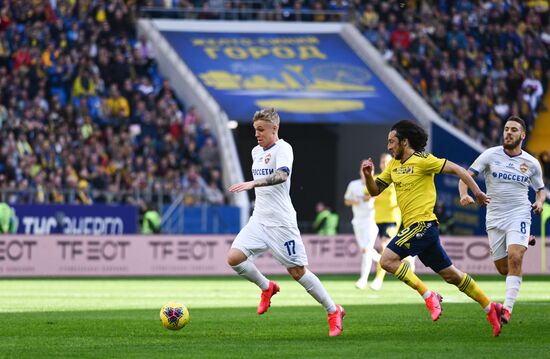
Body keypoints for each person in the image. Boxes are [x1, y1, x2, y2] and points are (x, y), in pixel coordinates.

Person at [362, 120, 503, 337]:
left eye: (392, 142)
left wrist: (475, 192)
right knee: (451, 276)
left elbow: (457, 169)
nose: (389, 146)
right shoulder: (393, 166)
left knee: (386, 260)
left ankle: (428, 295)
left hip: (423, 225)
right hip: (416, 229)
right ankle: (489, 306)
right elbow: (374, 191)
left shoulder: (423, 160)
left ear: (404, 141)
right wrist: (368, 175)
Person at [227, 108, 345, 337]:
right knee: (234, 258)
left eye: (261, 130)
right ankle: (267, 287)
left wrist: (253, 183)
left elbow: (282, 175)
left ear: (274, 128)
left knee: (297, 271)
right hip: (259, 219)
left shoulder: (284, 148)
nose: (257, 135)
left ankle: (333, 310)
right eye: (255, 130)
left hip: (281, 222)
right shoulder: (255, 151)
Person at [458, 115, 546, 325]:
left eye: (514, 130)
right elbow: (465, 176)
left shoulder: (531, 163)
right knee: (503, 268)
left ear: (522, 135)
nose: (508, 132)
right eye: (506, 129)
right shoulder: (490, 155)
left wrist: (540, 202)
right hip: (495, 217)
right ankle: (525, 240)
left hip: (519, 213)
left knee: (515, 257)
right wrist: (464, 194)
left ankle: (507, 308)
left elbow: (540, 190)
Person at [369, 153, 415, 291]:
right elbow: (367, 193)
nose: (384, 163)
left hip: (392, 218)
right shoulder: (376, 178)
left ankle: (378, 279)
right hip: (377, 219)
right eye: (382, 161)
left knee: (383, 246)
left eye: (387, 161)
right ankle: (405, 258)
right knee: (375, 249)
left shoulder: (396, 178)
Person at [344, 162, 379, 289]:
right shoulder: (353, 185)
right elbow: (346, 200)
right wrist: (354, 201)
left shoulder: (377, 183)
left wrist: (370, 197)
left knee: (366, 250)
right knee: (365, 250)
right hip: (357, 221)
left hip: (371, 220)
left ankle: (363, 279)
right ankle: (385, 261)